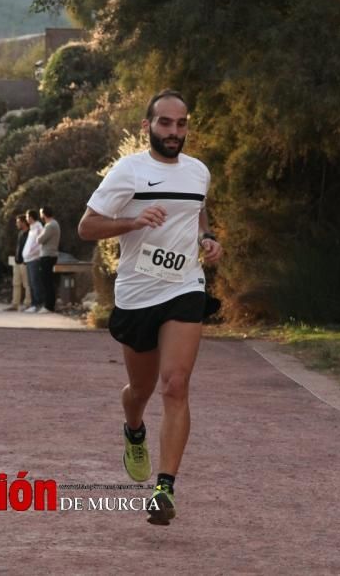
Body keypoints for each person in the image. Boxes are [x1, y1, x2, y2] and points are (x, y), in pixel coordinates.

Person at [78, 89, 223, 526]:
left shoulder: (198, 172)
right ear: (148, 126)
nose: (174, 132)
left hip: (184, 286)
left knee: (175, 385)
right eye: (165, 123)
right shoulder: (129, 170)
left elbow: (197, 215)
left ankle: (164, 488)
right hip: (138, 294)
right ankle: (134, 428)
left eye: (181, 124)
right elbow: (87, 227)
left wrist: (206, 240)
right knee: (139, 391)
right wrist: (132, 221)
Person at [6, 214, 32, 311]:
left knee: (27, 284)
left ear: (24, 222)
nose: (17, 224)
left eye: (18, 222)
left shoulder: (30, 233)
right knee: (16, 284)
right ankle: (15, 304)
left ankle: (27, 304)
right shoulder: (20, 233)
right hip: (17, 262)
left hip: (25, 263)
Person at [37, 206, 61, 313]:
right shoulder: (52, 224)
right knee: (48, 281)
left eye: (41, 213)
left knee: (47, 282)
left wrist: (39, 235)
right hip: (50, 255)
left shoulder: (50, 225)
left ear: (44, 214)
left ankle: (48, 306)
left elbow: (40, 239)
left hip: (48, 255)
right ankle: (49, 305)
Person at [22, 209, 45, 313]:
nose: (26, 219)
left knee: (35, 282)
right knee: (31, 282)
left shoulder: (38, 227)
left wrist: (31, 253)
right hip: (29, 259)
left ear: (31, 217)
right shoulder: (32, 228)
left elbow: (39, 244)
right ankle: (34, 303)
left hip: (34, 259)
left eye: (27, 217)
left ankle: (37, 304)